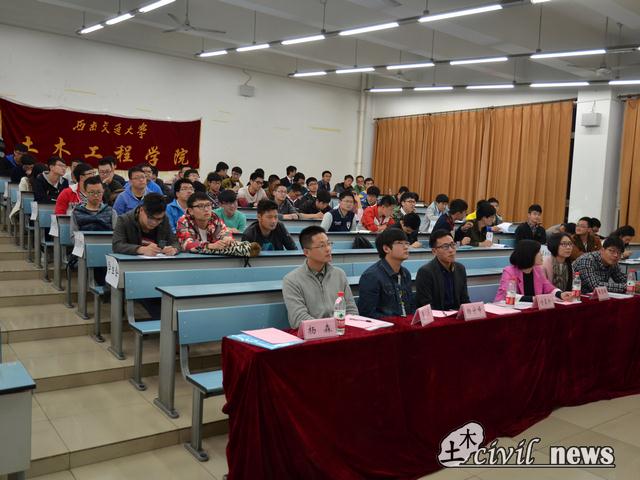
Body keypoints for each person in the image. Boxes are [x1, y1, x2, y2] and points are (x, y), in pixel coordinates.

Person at [282, 225, 358, 328]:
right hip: (313, 334)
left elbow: (351, 310)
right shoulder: (291, 280)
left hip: (341, 330)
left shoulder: (339, 274)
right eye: (322, 246)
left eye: (329, 244)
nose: (328, 249)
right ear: (306, 252)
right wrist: (329, 328)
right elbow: (298, 318)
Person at [176, 191, 260, 256]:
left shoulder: (214, 218)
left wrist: (227, 239)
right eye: (201, 206)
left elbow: (225, 232)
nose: (206, 209)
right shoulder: (183, 221)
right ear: (190, 210)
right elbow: (187, 245)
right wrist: (210, 246)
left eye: (208, 205)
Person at [357, 228, 415, 319]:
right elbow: (367, 314)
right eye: (400, 243)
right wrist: (397, 321)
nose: (406, 247)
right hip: (387, 326)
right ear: (386, 248)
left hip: (406, 324)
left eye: (407, 243)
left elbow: (410, 306)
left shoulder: (406, 274)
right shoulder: (371, 276)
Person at [495, 240, 573, 302]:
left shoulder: (538, 270)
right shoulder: (509, 271)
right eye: (539, 252)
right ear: (529, 254)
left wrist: (560, 294)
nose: (542, 254)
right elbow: (508, 294)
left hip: (531, 309)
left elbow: (548, 288)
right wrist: (534, 299)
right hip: (508, 309)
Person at [416, 230, 470, 310]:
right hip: (437, 315)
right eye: (445, 246)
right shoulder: (425, 272)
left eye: (452, 245)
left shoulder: (460, 269)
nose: (451, 250)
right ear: (434, 251)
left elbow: (465, 300)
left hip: (457, 315)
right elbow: (426, 306)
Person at [112, 193, 179, 256]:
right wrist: (141, 249)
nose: (154, 222)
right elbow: (117, 245)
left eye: (158, 219)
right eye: (150, 218)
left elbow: (175, 242)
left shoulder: (164, 220)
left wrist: (173, 249)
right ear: (141, 210)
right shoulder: (124, 220)